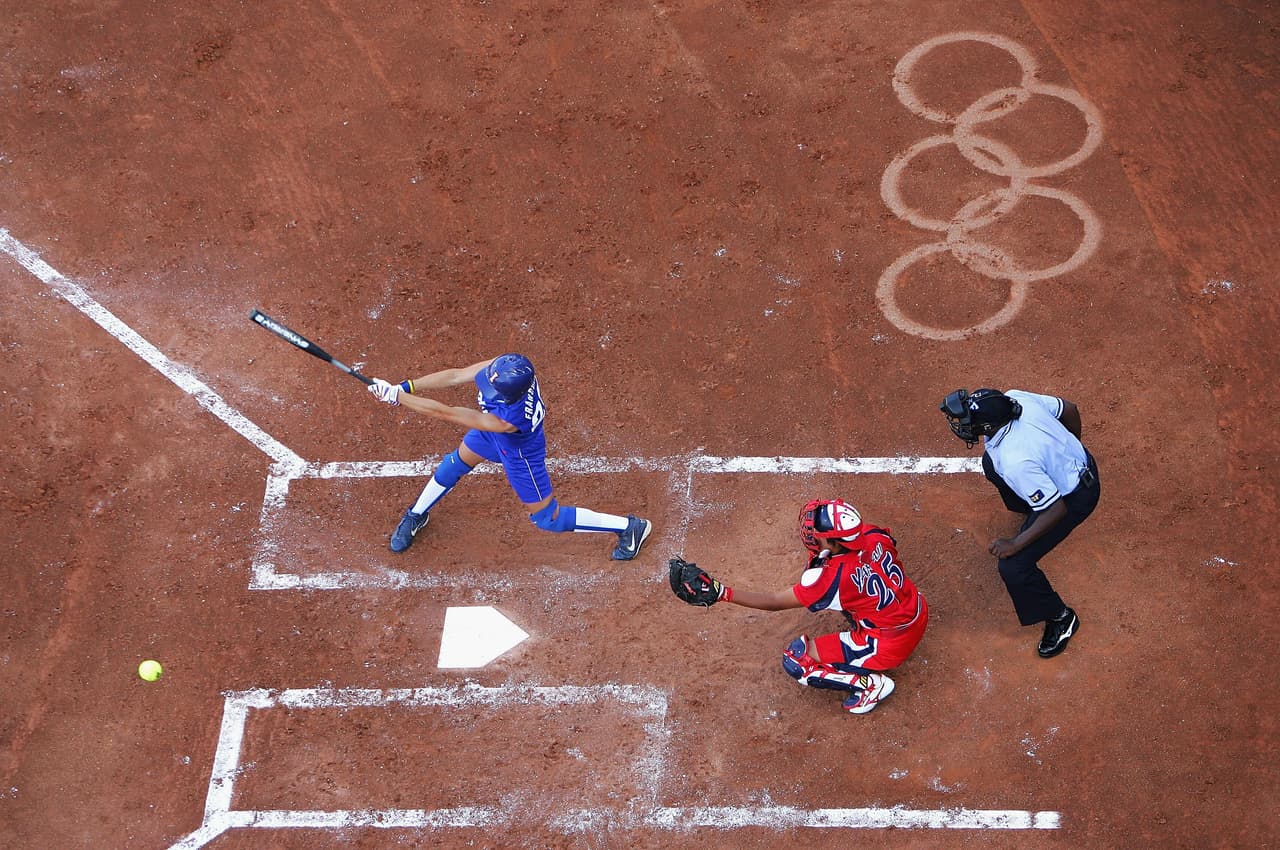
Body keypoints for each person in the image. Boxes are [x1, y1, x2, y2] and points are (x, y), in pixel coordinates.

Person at [365, 354, 652, 560]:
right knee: (455, 464)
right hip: (491, 433)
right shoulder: (508, 367)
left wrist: (396, 399)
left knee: (547, 518)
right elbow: (456, 374)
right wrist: (405, 387)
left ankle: (630, 527)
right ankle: (416, 516)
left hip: (518, 451)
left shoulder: (511, 418)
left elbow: (448, 413)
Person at [668, 499, 928, 715]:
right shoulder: (873, 535)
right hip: (915, 609)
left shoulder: (830, 581)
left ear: (836, 543)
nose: (811, 534)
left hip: (888, 644)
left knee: (796, 660)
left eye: (819, 535)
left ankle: (870, 685)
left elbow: (774, 602)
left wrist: (723, 593)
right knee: (857, 601)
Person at [939, 388, 1100, 658]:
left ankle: (1061, 618)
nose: (964, 425)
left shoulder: (1016, 460)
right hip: (1084, 466)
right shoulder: (1016, 398)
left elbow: (1055, 510)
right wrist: (1066, 451)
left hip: (1075, 498)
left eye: (969, 421)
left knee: (1013, 567)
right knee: (991, 463)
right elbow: (1069, 410)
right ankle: (1029, 503)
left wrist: (1015, 543)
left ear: (989, 424)